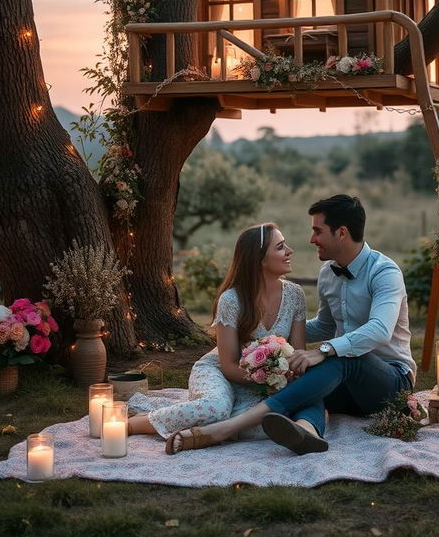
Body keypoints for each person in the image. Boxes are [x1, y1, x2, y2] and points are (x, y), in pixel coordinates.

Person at [168, 194, 416, 455]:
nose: (311, 239)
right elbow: (324, 326)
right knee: (299, 371)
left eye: (318, 231)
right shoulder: (328, 273)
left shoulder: (384, 272)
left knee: (342, 357)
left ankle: (226, 428)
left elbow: (380, 330)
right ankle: (307, 431)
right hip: (345, 388)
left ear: (341, 232)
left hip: (389, 383)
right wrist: (264, 334)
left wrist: (325, 350)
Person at [127, 222, 306, 449]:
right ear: (259, 258)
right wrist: (266, 378)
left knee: (261, 426)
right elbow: (229, 366)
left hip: (259, 384)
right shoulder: (232, 300)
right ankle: (134, 424)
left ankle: (198, 421)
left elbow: (298, 354)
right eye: (280, 247)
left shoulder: (295, 295)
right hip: (220, 370)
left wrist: (280, 377)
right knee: (217, 409)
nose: (289, 251)